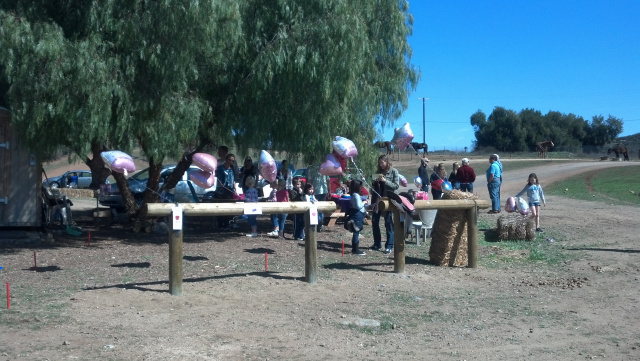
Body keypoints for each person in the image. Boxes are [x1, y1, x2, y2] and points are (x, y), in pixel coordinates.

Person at [370, 154, 399, 254]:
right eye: (379, 163)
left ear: (387, 162)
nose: (381, 165)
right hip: (378, 200)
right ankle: (377, 243)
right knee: (374, 221)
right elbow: (372, 190)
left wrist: (385, 181)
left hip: (389, 200)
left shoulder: (394, 171)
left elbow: (396, 186)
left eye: (382, 162)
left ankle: (389, 245)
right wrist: (373, 183)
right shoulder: (378, 173)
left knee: (388, 222)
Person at [215, 153, 239, 230]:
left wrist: (235, 189)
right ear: (226, 159)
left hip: (230, 191)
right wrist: (221, 185)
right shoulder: (221, 168)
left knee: (229, 208)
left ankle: (227, 224)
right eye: (229, 160)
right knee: (221, 208)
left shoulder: (232, 169)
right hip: (221, 191)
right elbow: (218, 179)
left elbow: (234, 180)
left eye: (232, 160)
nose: (231, 162)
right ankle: (221, 225)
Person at [306, 159, 329, 231]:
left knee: (314, 208)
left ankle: (316, 223)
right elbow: (328, 180)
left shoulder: (310, 168)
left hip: (314, 191)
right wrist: (329, 191)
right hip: (324, 190)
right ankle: (320, 224)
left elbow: (309, 181)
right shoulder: (324, 167)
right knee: (321, 208)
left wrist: (307, 190)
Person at [346, 179, 367, 255]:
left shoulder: (353, 194)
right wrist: (364, 203)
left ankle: (355, 249)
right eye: (360, 186)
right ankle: (355, 250)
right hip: (357, 215)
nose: (361, 188)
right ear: (357, 186)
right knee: (356, 232)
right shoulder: (356, 195)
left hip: (357, 214)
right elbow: (358, 206)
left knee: (356, 232)